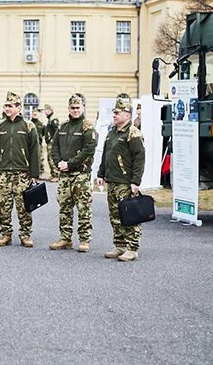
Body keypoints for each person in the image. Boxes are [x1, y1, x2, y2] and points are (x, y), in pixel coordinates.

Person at [0, 91, 40, 247]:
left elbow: (34, 151)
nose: (7, 108)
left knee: (24, 206)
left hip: (22, 173)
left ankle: (25, 235)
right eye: (5, 106)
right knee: (3, 205)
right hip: (4, 172)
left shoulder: (28, 126)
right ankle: (5, 234)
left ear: (19, 107)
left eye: (10, 106)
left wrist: (34, 173)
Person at [96, 96, 145, 262]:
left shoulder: (133, 134)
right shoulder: (112, 132)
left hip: (125, 182)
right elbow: (106, 154)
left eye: (118, 112)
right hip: (112, 180)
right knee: (115, 215)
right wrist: (101, 174)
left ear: (127, 115)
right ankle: (120, 245)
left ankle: (132, 248)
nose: (115, 115)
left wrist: (135, 181)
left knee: (129, 215)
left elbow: (139, 158)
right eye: (114, 112)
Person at [49, 94, 98, 253]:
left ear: (82, 108)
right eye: (72, 108)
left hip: (80, 175)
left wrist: (69, 164)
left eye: (78, 108)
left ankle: (84, 239)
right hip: (64, 176)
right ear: (68, 109)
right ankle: (65, 238)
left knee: (83, 207)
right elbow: (54, 147)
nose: (75, 111)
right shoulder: (63, 127)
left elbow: (88, 150)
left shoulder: (87, 127)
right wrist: (58, 163)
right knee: (64, 207)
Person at [43, 104, 60, 181]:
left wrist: (53, 140)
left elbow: (56, 131)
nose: (44, 112)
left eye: (45, 110)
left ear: (50, 110)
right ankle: (53, 174)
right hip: (49, 142)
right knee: (49, 158)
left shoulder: (53, 119)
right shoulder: (49, 119)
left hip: (52, 143)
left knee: (52, 158)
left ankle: (56, 174)